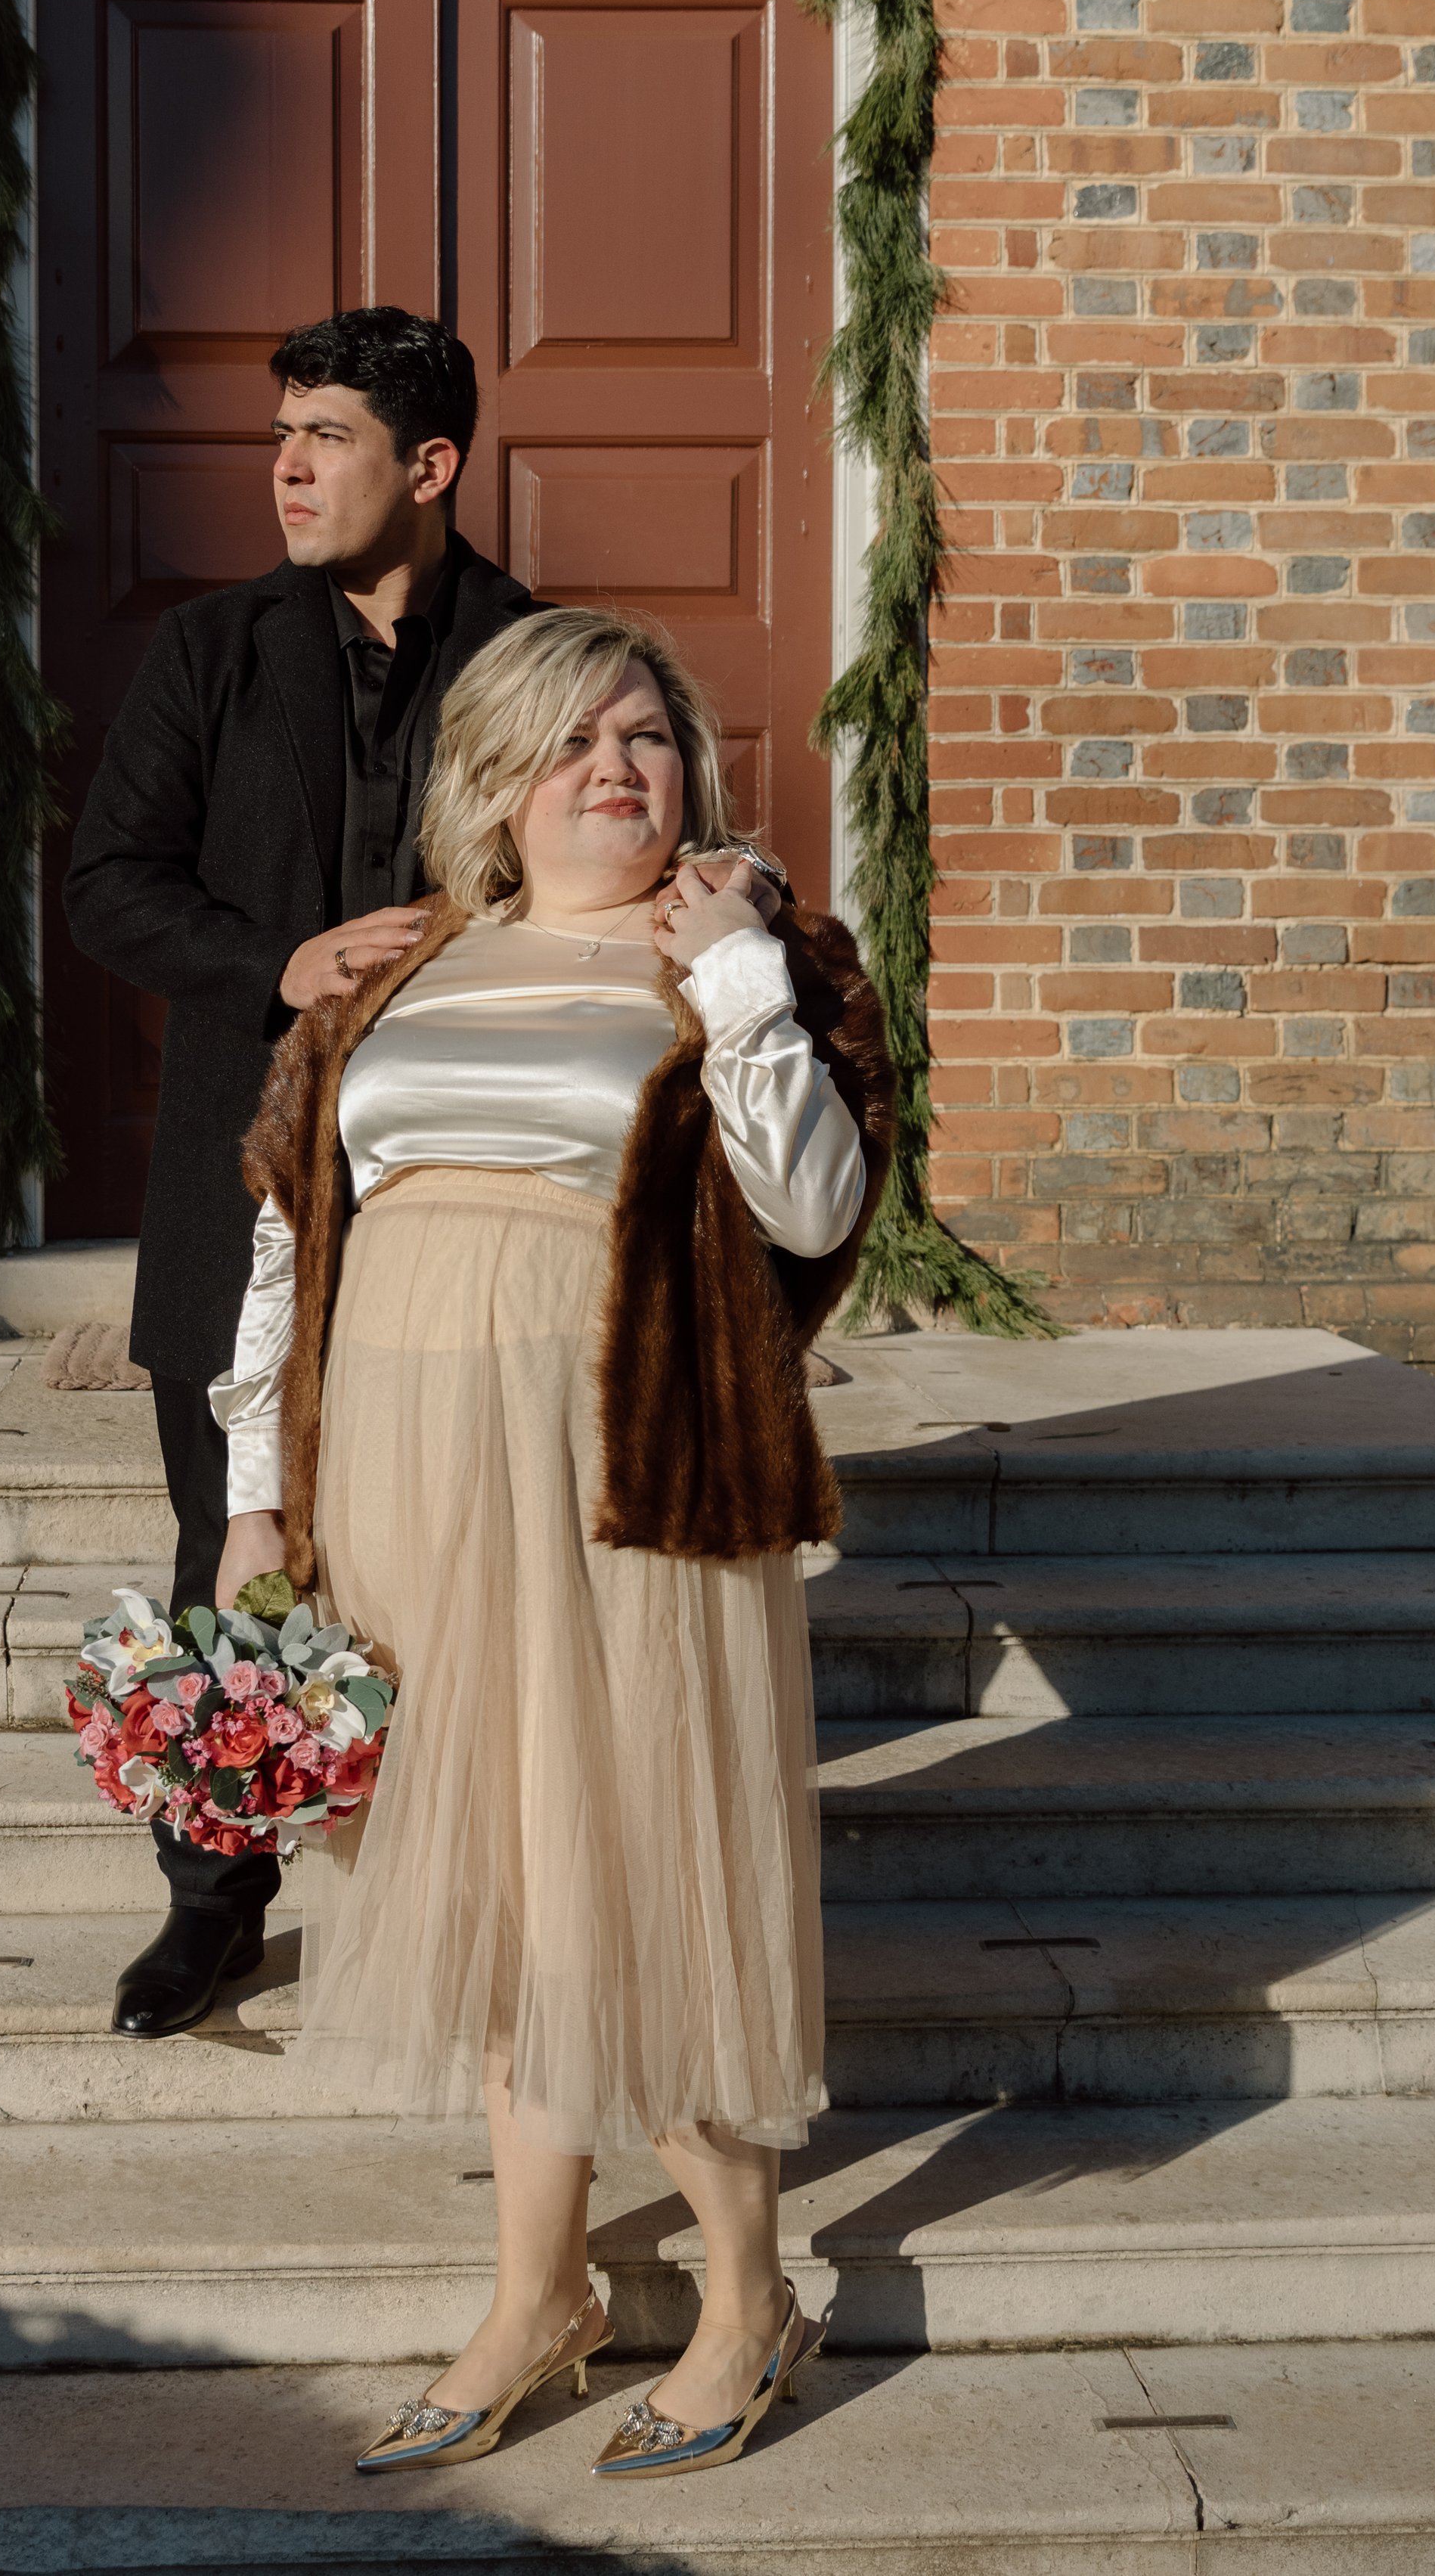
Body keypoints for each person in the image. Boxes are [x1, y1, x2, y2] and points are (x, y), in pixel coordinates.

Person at [216, 607, 894, 2478]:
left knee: (642, 1875)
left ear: (690, 775)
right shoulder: (402, 964)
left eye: (645, 738)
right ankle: (539, 2292)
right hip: (404, 1475)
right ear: (494, 781)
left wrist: (739, 972)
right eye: (570, 740)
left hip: (624, 1476)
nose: (614, 768)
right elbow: (290, 1234)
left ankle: (745, 2299)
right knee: (502, 1885)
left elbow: (812, 1205)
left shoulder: (748, 956)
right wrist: (255, 1492)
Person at [64, 307, 540, 2039]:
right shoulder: (209, 650)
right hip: (239, 1187)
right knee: (233, 1542)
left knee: (461, 1544)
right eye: (281, 433)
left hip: (458, 1191)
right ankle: (211, 1902)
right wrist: (279, 962)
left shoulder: (534, 655)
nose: (284, 466)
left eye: (325, 435)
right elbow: (108, 886)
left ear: (428, 466)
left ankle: (469, 1891)